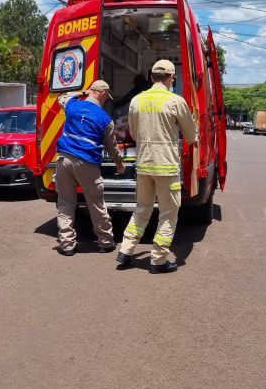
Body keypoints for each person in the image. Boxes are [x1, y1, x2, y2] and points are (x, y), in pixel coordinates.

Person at [115, 59, 198, 273]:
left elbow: (133, 133)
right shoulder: (175, 101)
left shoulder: (136, 101)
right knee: (168, 212)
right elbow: (190, 135)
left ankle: (125, 251)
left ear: (151, 77)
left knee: (142, 209)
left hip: (144, 165)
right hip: (166, 167)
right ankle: (158, 260)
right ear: (172, 78)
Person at [55, 80, 126, 256]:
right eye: (106, 97)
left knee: (65, 203)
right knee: (96, 203)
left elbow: (61, 97)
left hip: (64, 159)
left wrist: (82, 92)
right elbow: (112, 147)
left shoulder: (72, 105)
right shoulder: (104, 119)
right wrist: (119, 164)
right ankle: (105, 241)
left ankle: (67, 245)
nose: (106, 101)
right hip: (87, 163)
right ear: (102, 94)